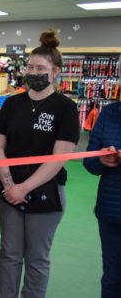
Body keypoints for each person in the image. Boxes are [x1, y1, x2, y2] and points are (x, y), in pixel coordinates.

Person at [0, 29, 80, 298]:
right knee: (9, 253)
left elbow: (59, 156)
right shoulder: (12, 104)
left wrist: (24, 188)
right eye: (30, 66)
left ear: (55, 72)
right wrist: (9, 184)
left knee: (37, 257)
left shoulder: (65, 108)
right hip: (8, 191)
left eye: (40, 67)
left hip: (45, 191)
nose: (33, 71)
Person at [83, 99, 121, 298]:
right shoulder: (110, 113)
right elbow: (89, 161)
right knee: (112, 279)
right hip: (112, 213)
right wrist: (101, 159)